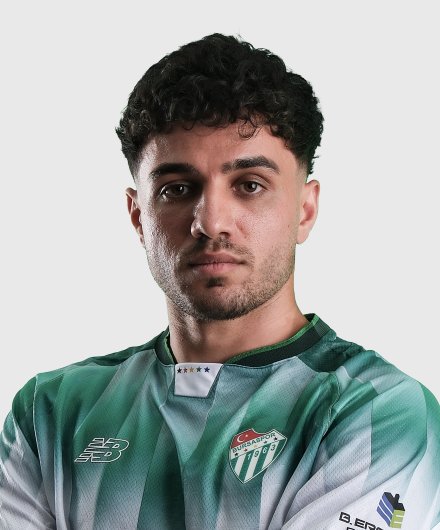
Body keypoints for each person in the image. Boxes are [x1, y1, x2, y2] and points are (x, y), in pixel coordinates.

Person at [0, 33, 439, 530]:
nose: (211, 222)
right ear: (138, 216)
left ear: (305, 209)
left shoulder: (379, 412)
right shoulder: (50, 412)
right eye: (177, 189)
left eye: (249, 185)